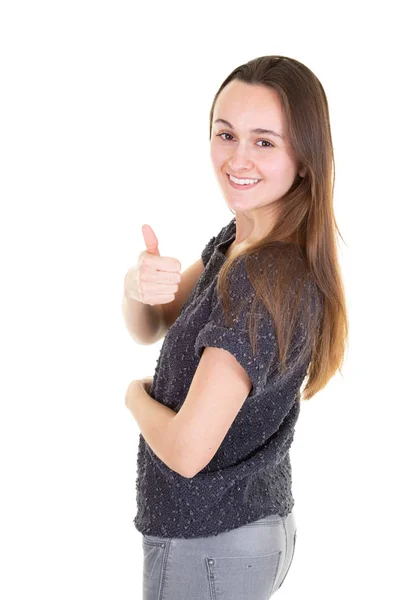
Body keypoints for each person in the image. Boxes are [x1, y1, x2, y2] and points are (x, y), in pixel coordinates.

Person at [122, 55, 348, 599]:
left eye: (265, 142)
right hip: (243, 531)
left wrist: (134, 396)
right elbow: (154, 322)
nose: (237, 158)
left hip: (209, 544)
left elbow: (185, 451)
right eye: (226, 134)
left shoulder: (261, 278)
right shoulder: (244, 241)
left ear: (305, 157)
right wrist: (138, 283)